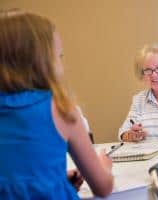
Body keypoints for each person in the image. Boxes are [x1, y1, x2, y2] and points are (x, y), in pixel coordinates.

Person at [0, 9, 113, 199]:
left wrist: (53, 180)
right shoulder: (60, 109)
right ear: (43, 63)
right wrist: (104, 164)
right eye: (59, 56)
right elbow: (102, 188)